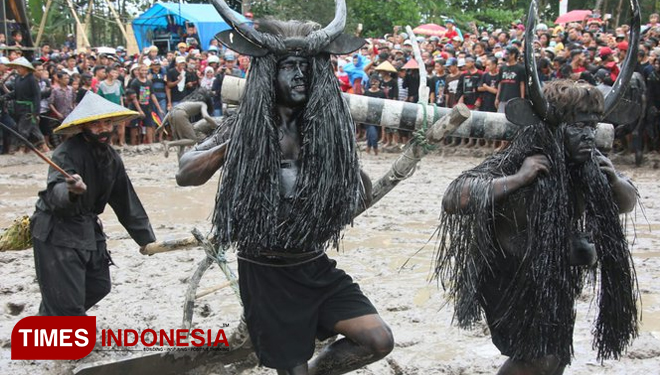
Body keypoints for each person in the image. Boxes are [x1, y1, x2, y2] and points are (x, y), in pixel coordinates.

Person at [175, 1, 394, 373]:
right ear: (268, 72)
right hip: (265, 271)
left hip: (313, 264)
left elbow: (360, 191)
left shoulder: (325, 128)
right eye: (289, 68)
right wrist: (241, 142)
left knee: (378, 339)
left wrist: (345, 169)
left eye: (306, 69)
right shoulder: (243, 124)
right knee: (289, 369)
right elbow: (186, 173)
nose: (299, 77)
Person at [436, 7, 641, 372]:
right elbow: (455, 197)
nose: (586, 137)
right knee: (537, 357)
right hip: (510, 277)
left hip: (554, 277)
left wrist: (614, 179)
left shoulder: (587, 166)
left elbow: (625, 203)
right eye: (576, 128)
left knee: (555, 358)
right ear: (553, 128)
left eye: (591, 127)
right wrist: (519, 179)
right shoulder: (523, 159)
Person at [30, 91, 156, 316]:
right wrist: (71, 191)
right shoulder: (65, 155)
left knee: (99, 285)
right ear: (83, 127)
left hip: (88, 230)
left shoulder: (112, 158)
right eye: (96, 124)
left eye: (107, 122)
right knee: (67, 303)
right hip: (57, 232)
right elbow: (55, 191)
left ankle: (51, 319)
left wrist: (147, 240)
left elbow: (125, 201)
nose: (103, 129)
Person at [6, 57, 47, 152]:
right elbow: (15, 93)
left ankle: (21, 148)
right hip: (18, 107)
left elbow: (37, 96)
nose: (18, 69)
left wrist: (36, 112)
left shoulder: (32, 79)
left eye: (19, 67)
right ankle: (44, 145)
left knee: (23, 129)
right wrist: (5, 97)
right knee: (32, 128)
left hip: (29, 108)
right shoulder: (18, 79)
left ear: (25, 68)